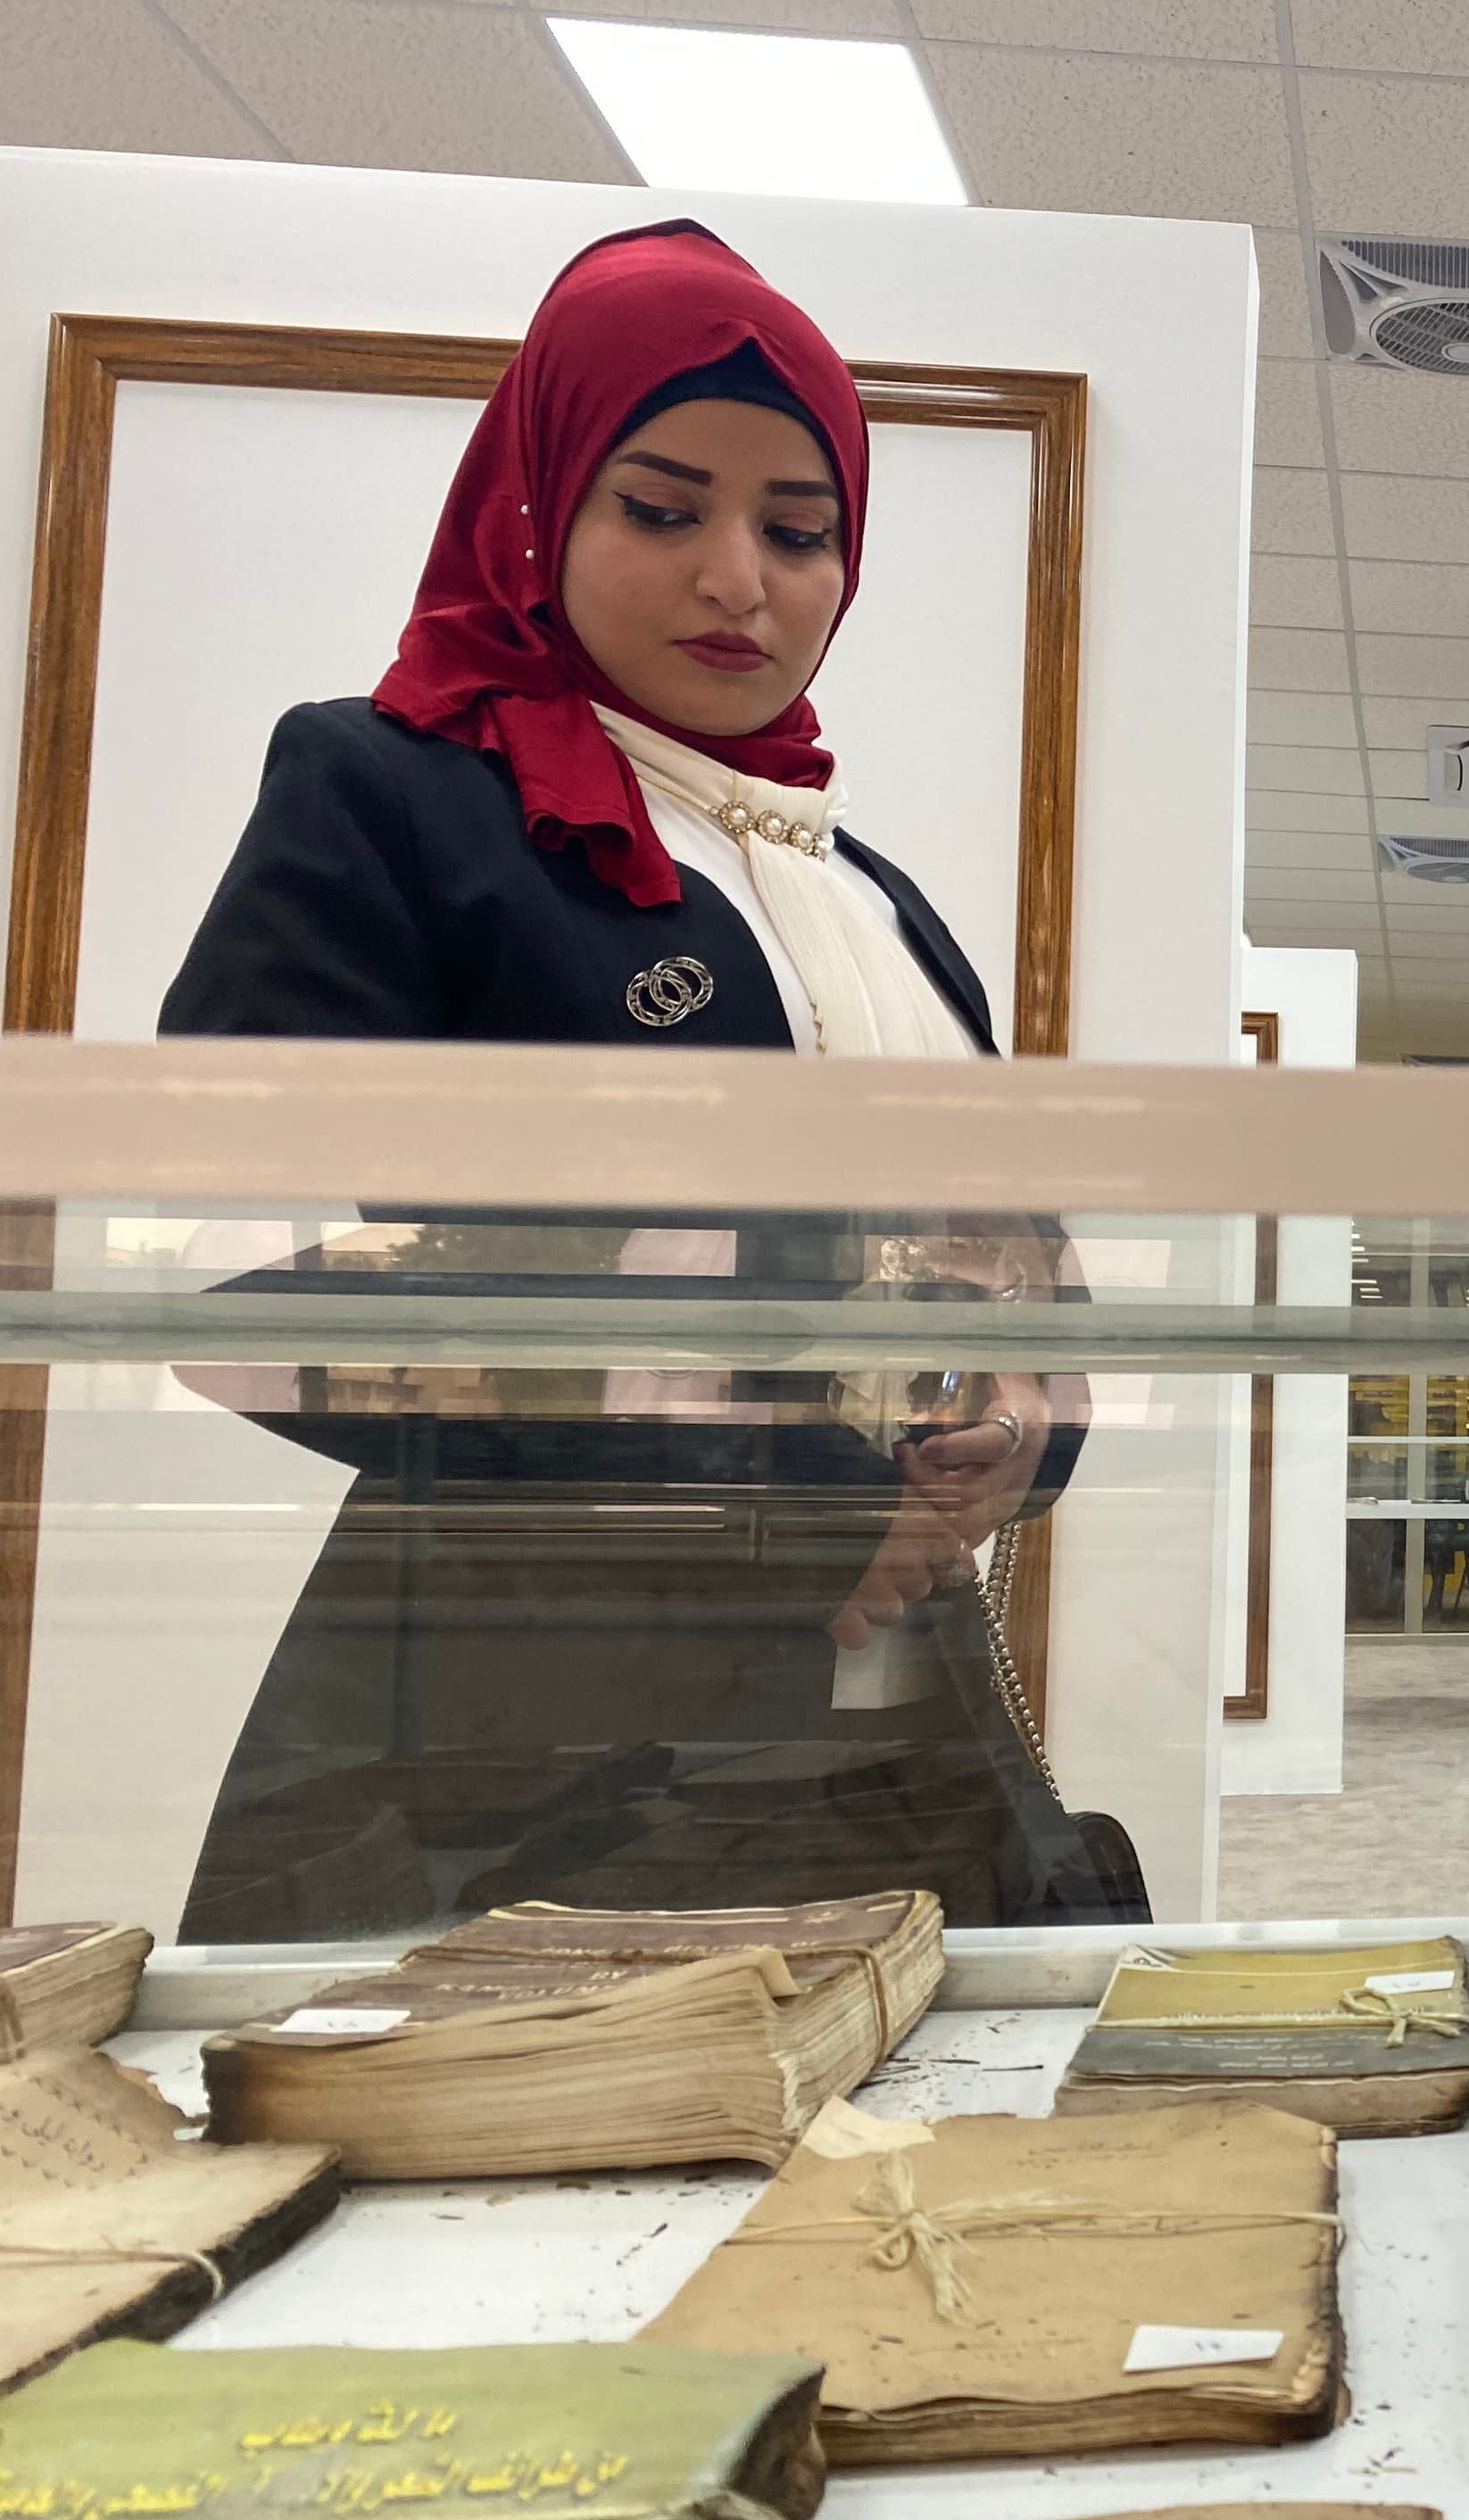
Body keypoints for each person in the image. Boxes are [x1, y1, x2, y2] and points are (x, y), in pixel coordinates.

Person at [158, 221, 1140, 1934]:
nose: (739, 579)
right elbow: (203, 1252)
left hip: (895, 1719)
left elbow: (1013, 1268)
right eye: (663, 508)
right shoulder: (398, 793)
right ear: (537, 508)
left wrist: (1014, 1430)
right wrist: (748, 1436)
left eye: (800, 527)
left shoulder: (872, 893)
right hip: (531, 1705)